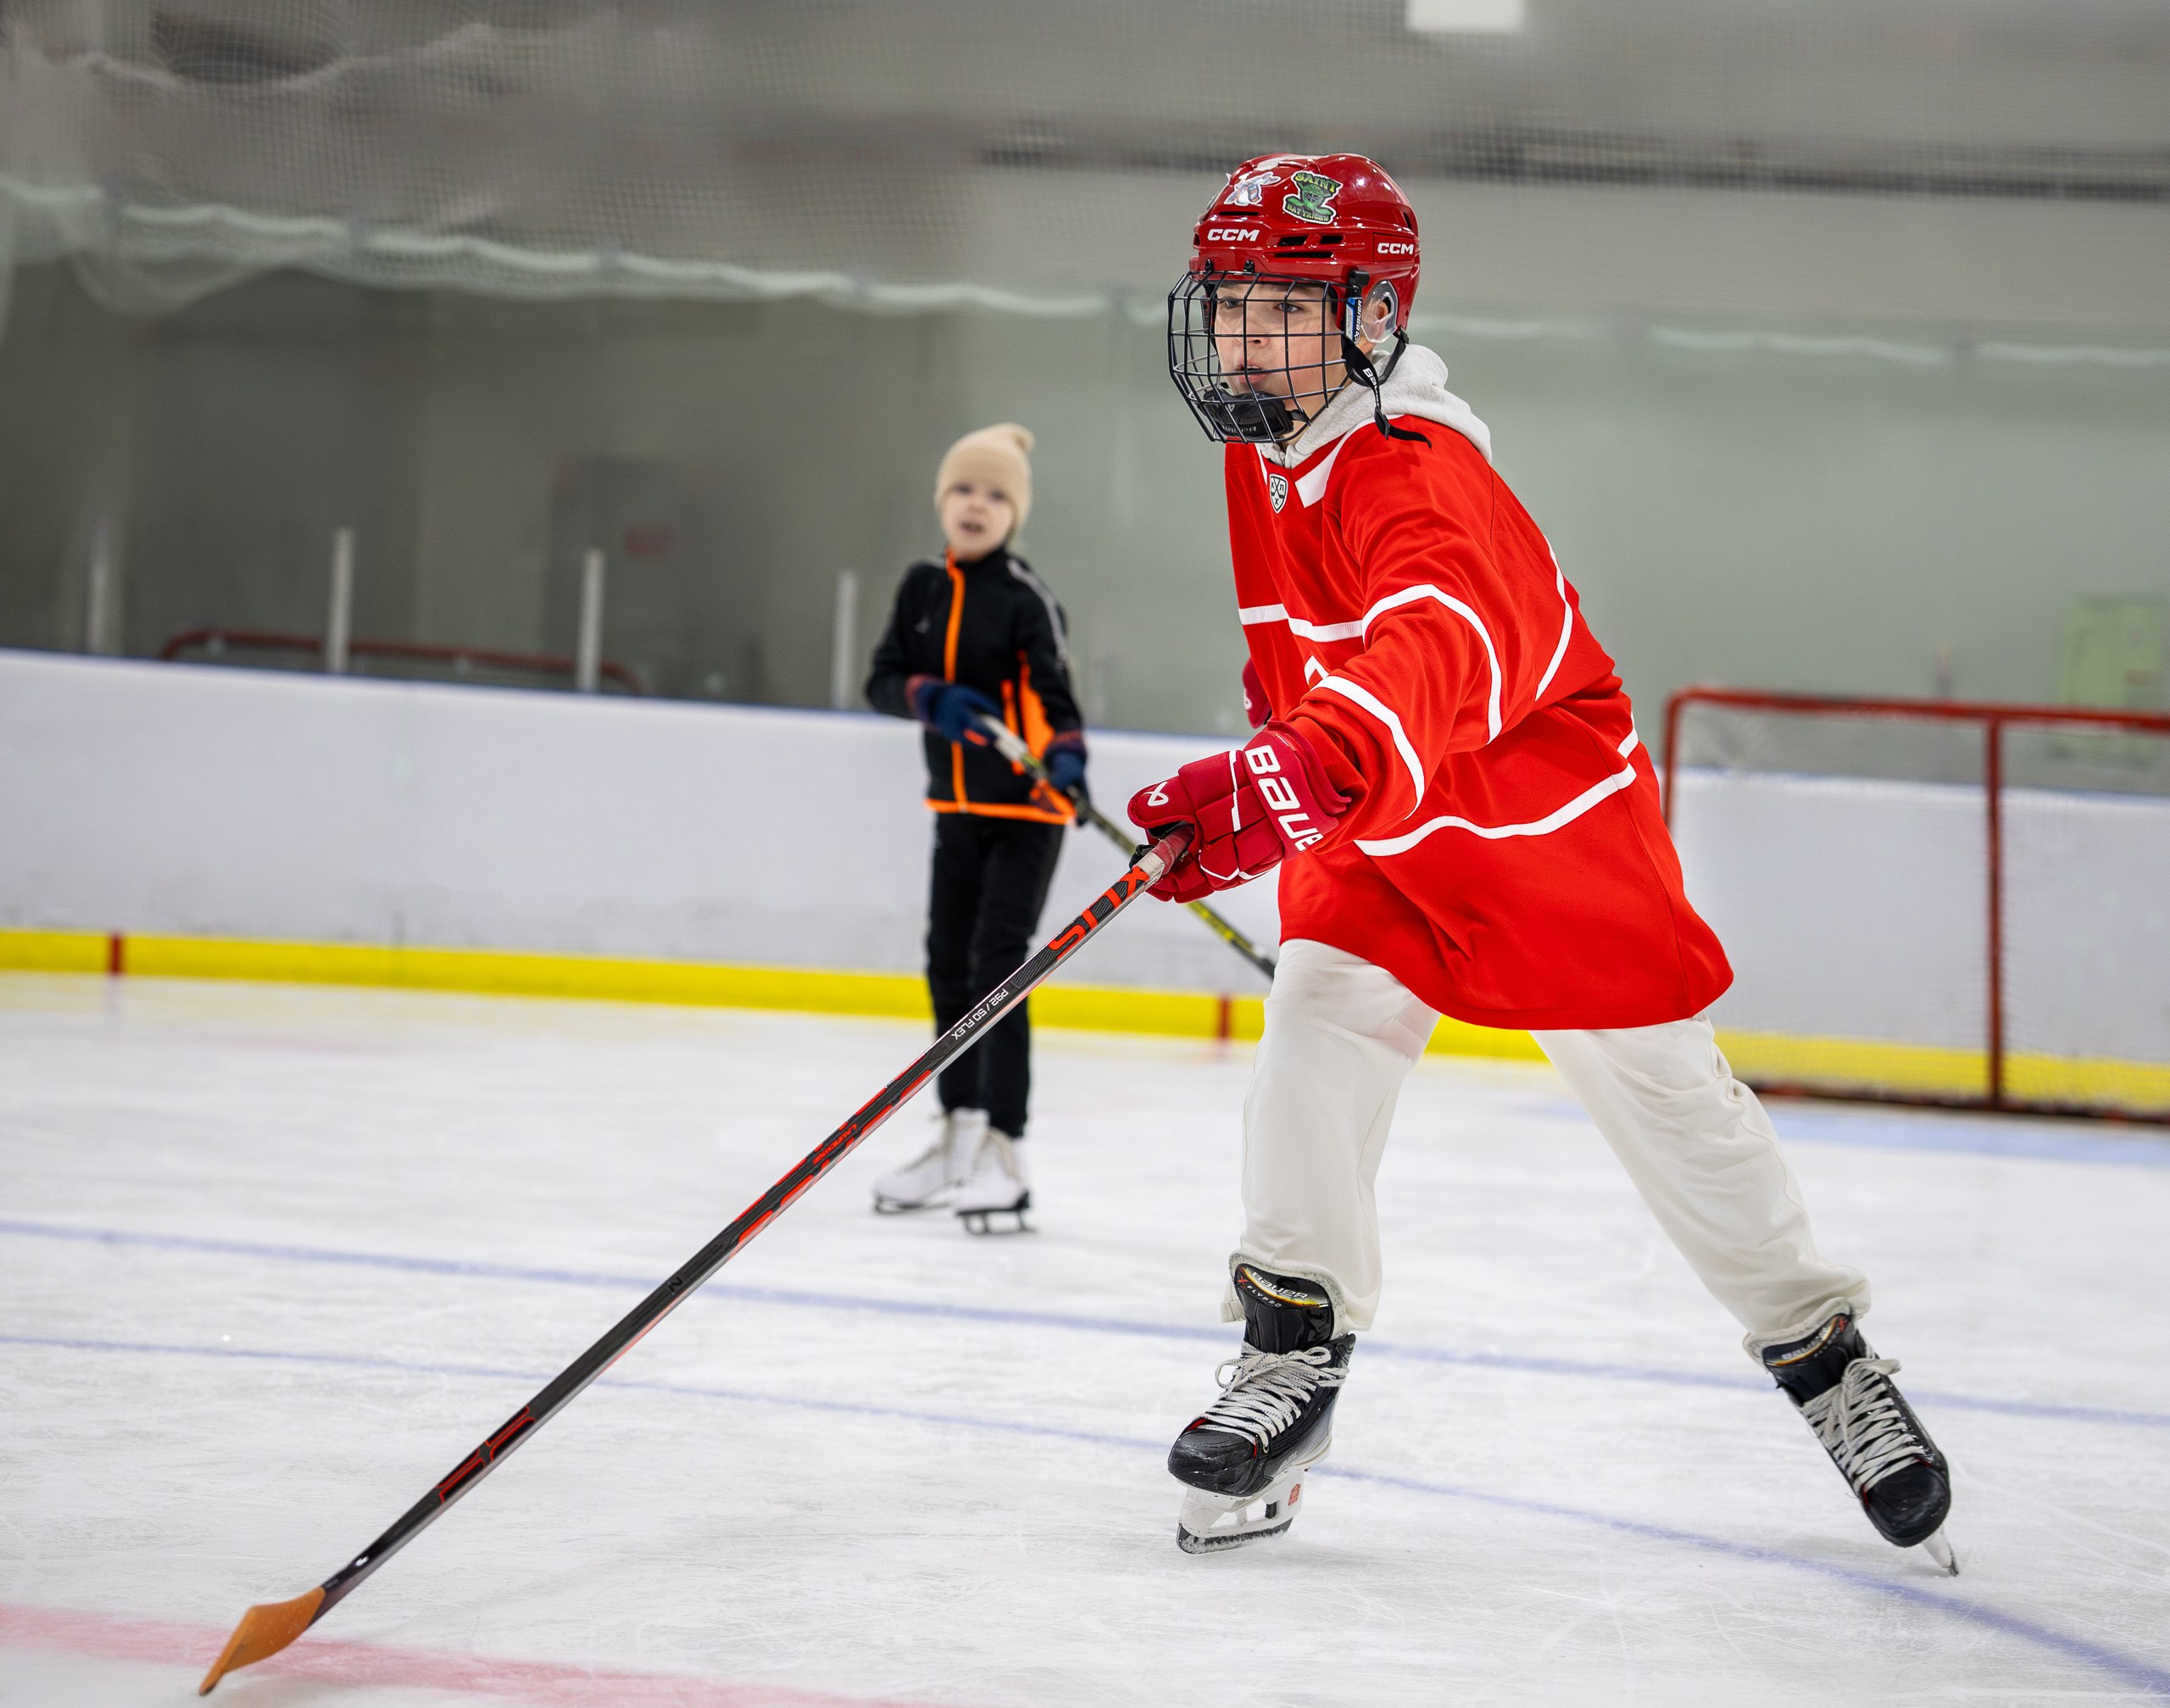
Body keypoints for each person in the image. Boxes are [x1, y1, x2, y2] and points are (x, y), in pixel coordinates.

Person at [1130, 153, 1956, 1566]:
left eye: (1281, 307)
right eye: (1230, 303)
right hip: (1381, 831)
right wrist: (1262, 787)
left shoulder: (1422, 475)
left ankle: (1825, 1360)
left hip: (1538, 843)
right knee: (1310, 1049)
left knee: (1674, 1109)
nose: (1240, 338)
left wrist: (1302, 769)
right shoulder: (1261, 449)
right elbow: (1313, 658)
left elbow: (1438, 640)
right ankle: (1291, 1350)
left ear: (1372, 316)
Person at [865, 423, 1088, 1232]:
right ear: (942, 500)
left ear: (1015, 513)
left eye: (996, 494)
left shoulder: (1025, 598)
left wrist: (1066, 758)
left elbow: (1058, 701)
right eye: (964, 489)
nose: (977, 504)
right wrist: (931, 697)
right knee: (945, 964)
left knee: (999, 969)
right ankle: (956, 1133)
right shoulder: (921, 587)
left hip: (1027, 813)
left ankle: (1005, 1147)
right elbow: (881, 680)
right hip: (955, 809)